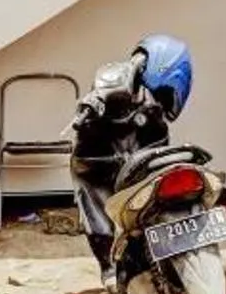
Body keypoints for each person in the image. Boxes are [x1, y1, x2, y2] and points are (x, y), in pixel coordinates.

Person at [69, 33, 194, 279]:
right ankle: (108, 270)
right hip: (101, 155)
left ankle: (162, 255)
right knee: (96, 206)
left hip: (146, 150)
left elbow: (162, 119)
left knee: (159, 200)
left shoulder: (148, 92)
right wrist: (93, 105)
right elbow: (90, 106)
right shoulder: (113, 76)